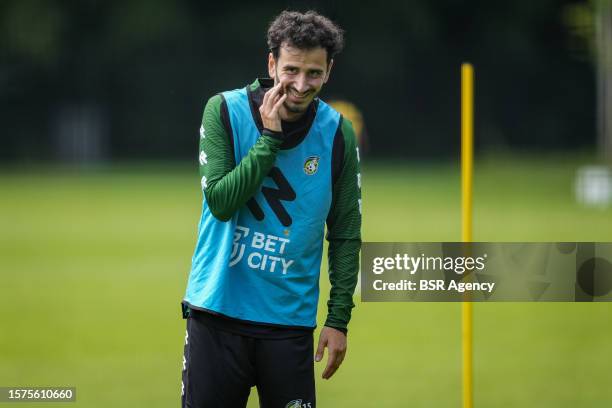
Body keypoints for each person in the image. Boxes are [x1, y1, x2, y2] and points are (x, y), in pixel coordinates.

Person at [181, 10, 361, 408]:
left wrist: (338, 318)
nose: (300, 84)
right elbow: (222, 203)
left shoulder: (337, 133)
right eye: (291, 69)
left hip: (288, 325)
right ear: (271, 64)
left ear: (329, 70)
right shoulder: (224, 111)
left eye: (314, 73)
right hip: (217, 314)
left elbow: (346, 232)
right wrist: (268, 140)